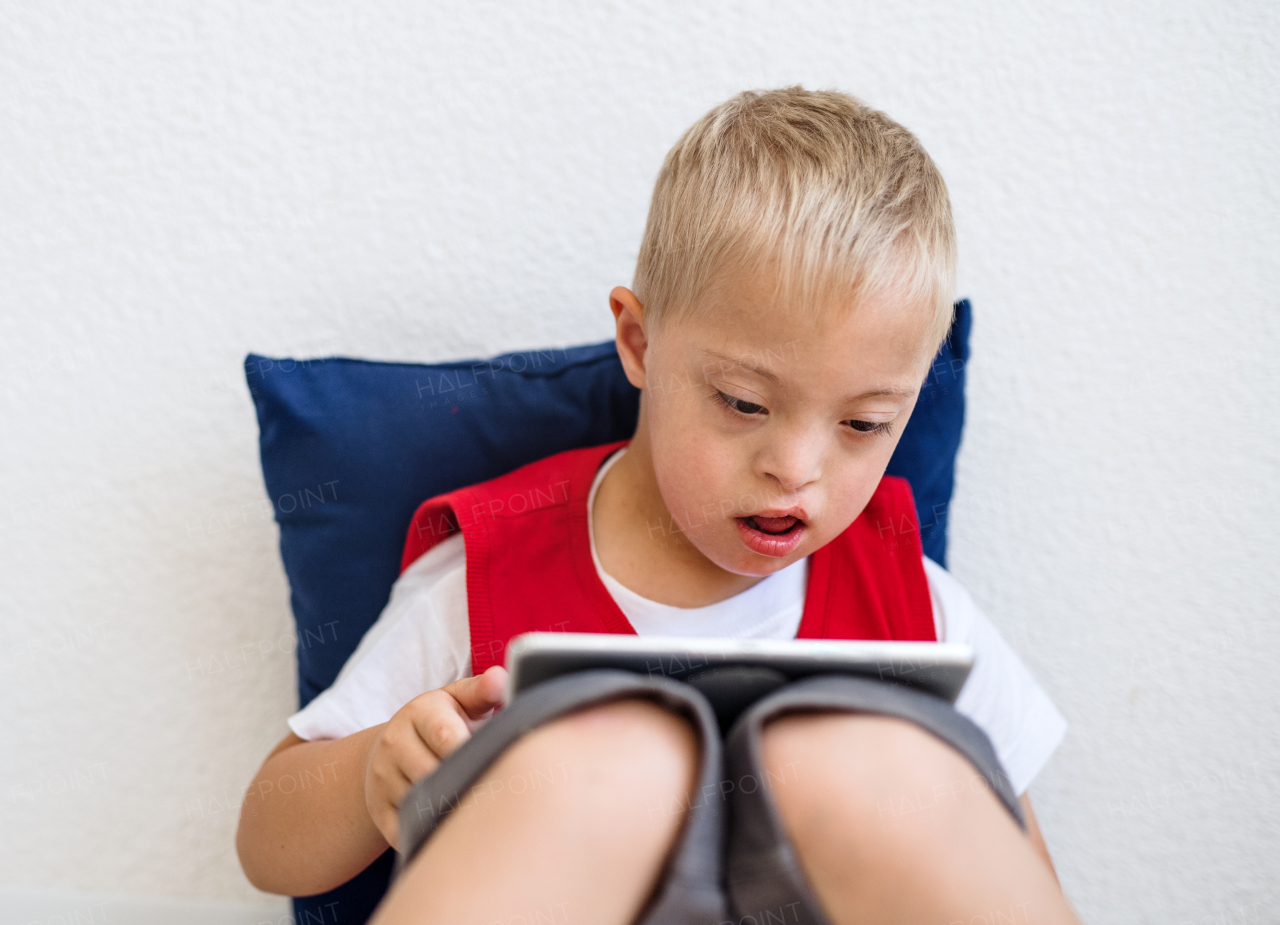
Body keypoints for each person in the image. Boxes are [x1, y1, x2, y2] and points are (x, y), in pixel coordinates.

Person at [236, 87, 1081, 925]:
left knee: (871, 769)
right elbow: (268, 838)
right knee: (601, 765)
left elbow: (1015, 867)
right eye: (745, 404)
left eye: (864, 423)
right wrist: (370, 771)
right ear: (638, 344)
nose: (795, 469)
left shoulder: (920, 605)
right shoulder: (485, 574)